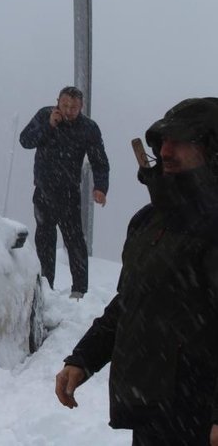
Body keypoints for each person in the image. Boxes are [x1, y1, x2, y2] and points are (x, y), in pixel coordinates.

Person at [55, 97, 218, 446]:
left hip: (201, 419)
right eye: (161, 141)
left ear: (211, 147)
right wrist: (84, 358)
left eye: (180, 141)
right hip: (153, 415)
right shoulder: (148, 222)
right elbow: (131, 302)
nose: (166, 150)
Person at [19, 86, 110, 299]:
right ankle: (45, 288)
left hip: (69, 193)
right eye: (65, 105)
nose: (68, 111)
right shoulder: (44, 115)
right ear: (57, 102)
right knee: (45, 240)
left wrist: (100, 188)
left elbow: (100, 161)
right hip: (43, 191)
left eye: (74, 107)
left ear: (81, 107)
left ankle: (79, 291)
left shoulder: (88, 128)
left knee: (75, 240)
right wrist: (49, 126)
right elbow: (25, 141)